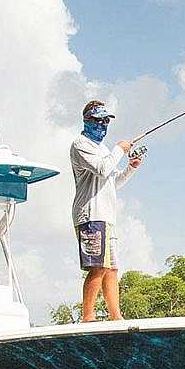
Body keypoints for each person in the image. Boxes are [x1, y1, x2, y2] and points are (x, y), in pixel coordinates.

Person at [70, 100, 143, 321]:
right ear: (87, 120)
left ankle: (116, 317)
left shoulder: (103, 149)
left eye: (106, 121)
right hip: (90, 214)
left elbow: (112, 181)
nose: (102, 125)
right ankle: (88, 317)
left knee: (111, 269)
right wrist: (119, 149)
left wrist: (130, 168)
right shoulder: (80, 144)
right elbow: (102, 169)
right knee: (98, 267)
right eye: (98, 120)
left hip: (106, 216)